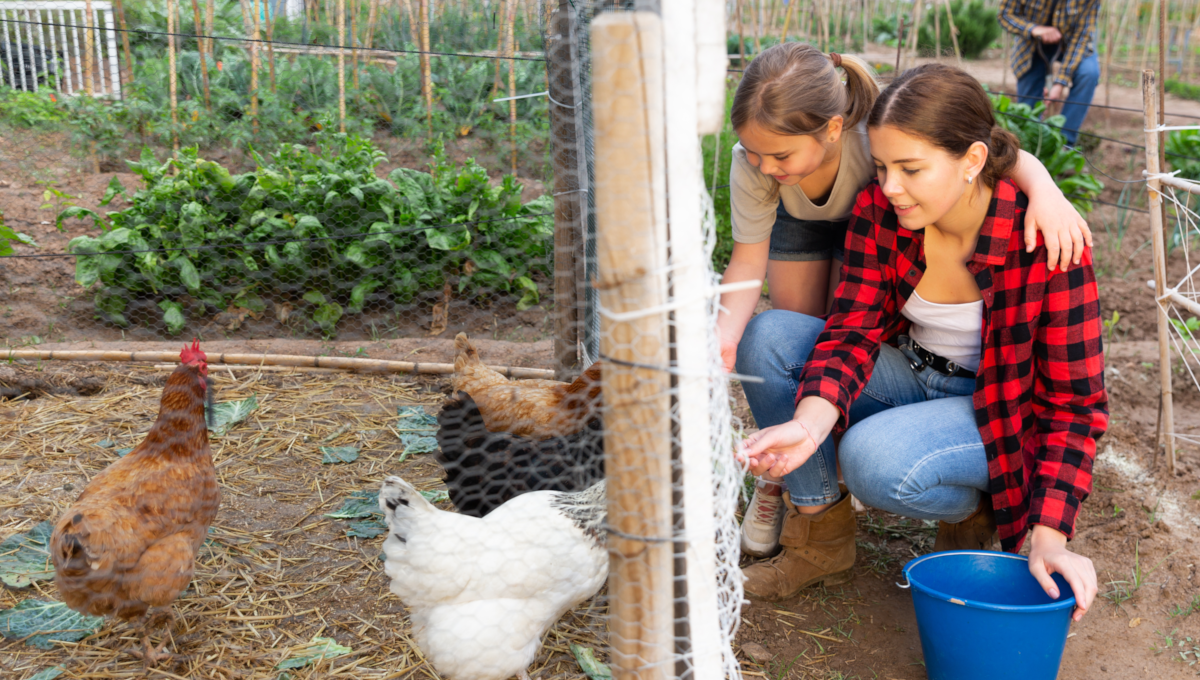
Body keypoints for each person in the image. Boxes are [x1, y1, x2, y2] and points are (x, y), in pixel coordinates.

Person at [733, 63, 1104, 621]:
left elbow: (1074, 407)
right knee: (770, 338)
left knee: (873, 460)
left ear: (972, 160)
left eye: (910, 169)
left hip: (997, 412)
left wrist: (1049, 536)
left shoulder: (1046, 242)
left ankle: (983, 509)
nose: (889, 187)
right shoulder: (882, 212)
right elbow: (852, 330)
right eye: (882, 167)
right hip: (910, 374)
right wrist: (808, 427)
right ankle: (821, 537)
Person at [999, 0, 1102, 145]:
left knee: (1089, 73)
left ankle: (1064, 144)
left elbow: (1081, 37)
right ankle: (1031, 148)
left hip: (1071, 43)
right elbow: (1005, 14)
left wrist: (1060, 82)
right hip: (1032, 45)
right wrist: (1034, 29)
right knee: (1027, 113)